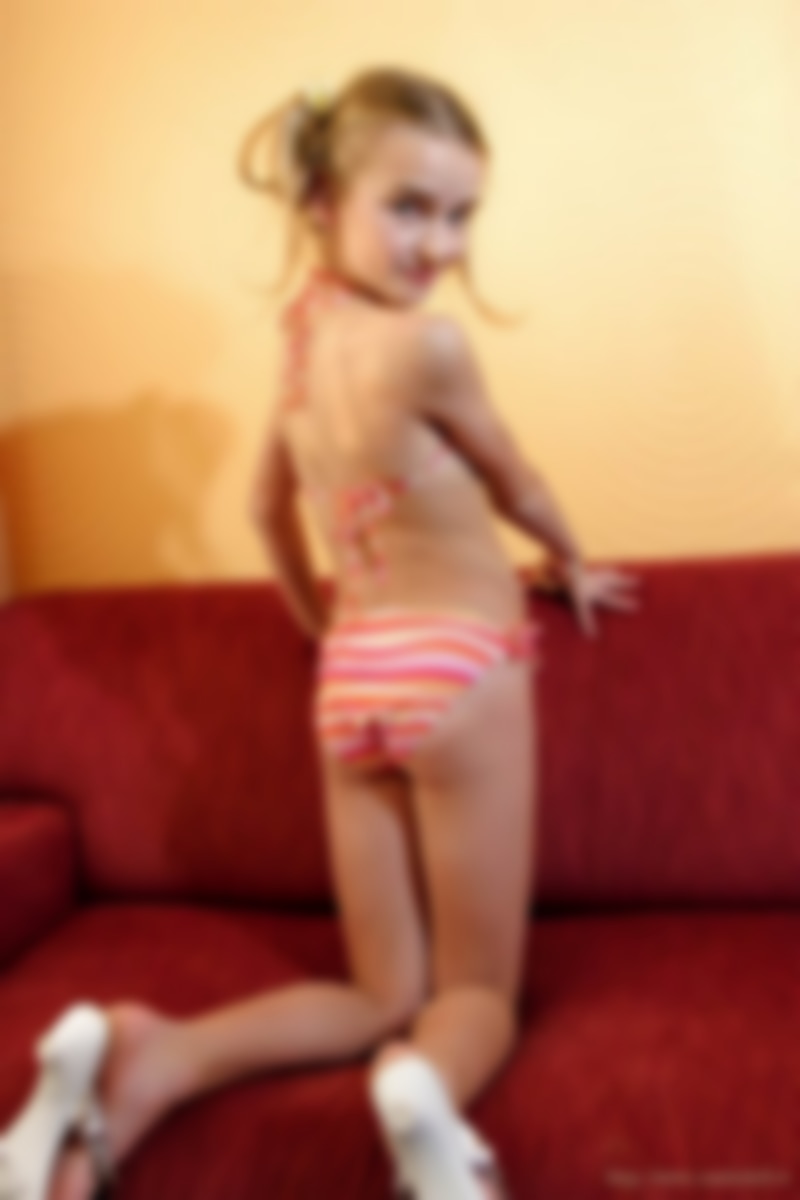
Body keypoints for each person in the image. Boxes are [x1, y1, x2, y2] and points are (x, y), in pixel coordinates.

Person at [0, 65, 640, 1200]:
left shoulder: (298, 348)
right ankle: (423, 1090)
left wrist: (322, 630)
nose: (438, 242)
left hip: (351, 680)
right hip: (455, 667)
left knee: (377, 992)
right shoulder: (428, 348)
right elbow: (514, 480)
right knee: (473, 994)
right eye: (409, 206)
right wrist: (575, 559)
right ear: (321, 203)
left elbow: (264, 510)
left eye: (461, 214)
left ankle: (158, 1052)